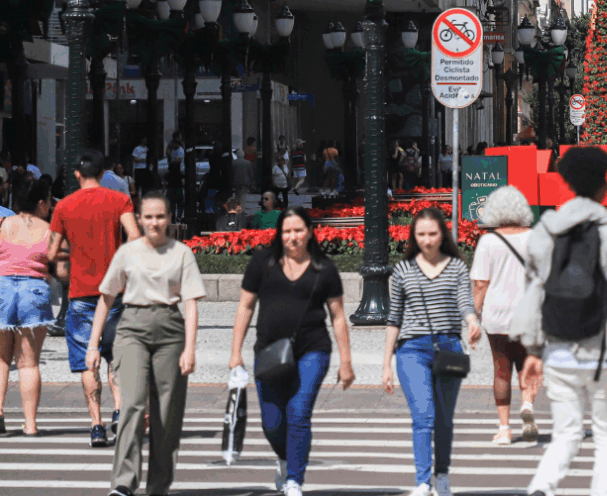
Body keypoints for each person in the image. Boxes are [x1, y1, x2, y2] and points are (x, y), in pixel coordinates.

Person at [510, 147, 607, 496]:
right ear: (604, 188)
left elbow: (534, 290)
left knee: (566, 434)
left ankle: (541, 488)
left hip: (558, 349)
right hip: (605, 352)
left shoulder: (546, 230)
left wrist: (532, 348)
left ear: (567, 183)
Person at [229, 207, 355, 496]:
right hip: (269, 351)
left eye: (298, 230)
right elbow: (245, 306)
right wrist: (235, 352)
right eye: (287, 231)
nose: (293, 237)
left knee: (299, 413)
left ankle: (294, 480)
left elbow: (337, 316)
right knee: (272, 422)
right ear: (279, 234)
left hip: (313, 350)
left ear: (310, 232)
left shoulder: (324, 268)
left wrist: (345, 361)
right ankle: (285, 459)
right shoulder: (263, 262)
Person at [89, 193, 204, 496]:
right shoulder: (127, 253)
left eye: (161, 216)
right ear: (139, 219)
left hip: (170, 329)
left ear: (169, 219)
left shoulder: (182, 253)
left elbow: (191, 303)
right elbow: (106, 299)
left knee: (167, 413)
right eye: (149, 217)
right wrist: (93, 345)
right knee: (133, 404)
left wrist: (190, 349)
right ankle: (124, 483)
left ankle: (158, 486)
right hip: (132, 328)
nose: (155, 222)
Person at [382, 207, 481, 496]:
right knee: (423, 417)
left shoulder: (457, 267)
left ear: (443, 235)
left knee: (444, 419)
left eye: (433, 234)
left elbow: (465, 301)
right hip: (411, 349)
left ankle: (443, 476)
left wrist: (472, 322)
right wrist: (386, 363)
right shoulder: (403, 269)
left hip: (449, 346)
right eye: (421, 234)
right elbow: (394, 318)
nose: (427, 240)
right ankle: (423, 483)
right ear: (413, 236)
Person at [51, 150, 139, 447]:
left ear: (77, 174)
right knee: (115, 356)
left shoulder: (63, 206)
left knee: (87, 363)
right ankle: (118, 410)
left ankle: (96, 426)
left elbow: (51, 253)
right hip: (116, 292)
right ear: (103, 174)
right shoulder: (119, 200)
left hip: (80, 293)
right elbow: (135, 238)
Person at [471, 186, 540, 445]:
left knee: (501, 370)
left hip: (497, 314)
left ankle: (504, 429)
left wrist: (473, 317)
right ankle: (528, 407)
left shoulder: (488, 241)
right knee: (527, 366)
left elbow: (480, 285)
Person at [0, 178, 58, 436]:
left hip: (1, 288)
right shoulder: (50, 230)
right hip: (35, 290)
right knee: (29, 363)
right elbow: (55, 262)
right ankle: (30, 424)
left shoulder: (2, 224)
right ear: (41, 203)